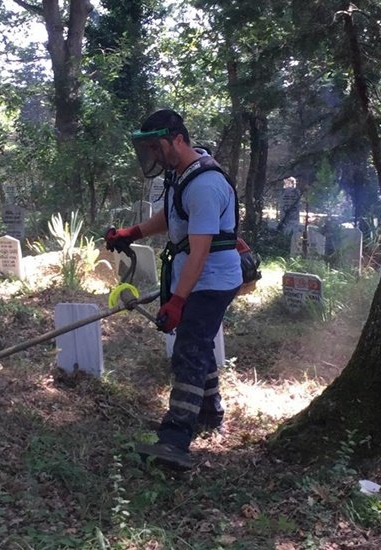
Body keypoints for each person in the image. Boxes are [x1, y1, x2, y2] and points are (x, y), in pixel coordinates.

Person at [105, 109, 242, 471]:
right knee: (198, 343)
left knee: (189, 350)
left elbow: (199, 251)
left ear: (178, 139)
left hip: (211, 281)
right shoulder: (182, 177)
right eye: (147, 148)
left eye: (156, 146)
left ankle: (175, 439)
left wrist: (178, 300)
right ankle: (210, 412)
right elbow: (172, 216)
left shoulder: (206, 185)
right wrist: (131, 233)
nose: (152, 155)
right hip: (197, 277)